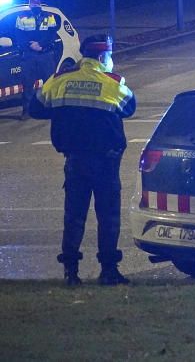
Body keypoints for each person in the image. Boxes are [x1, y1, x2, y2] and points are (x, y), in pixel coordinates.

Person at [29, 35, 136, 286]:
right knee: (108, 217)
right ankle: (108, 271)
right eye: (109, 56)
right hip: (106, 162)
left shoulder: (61, 80)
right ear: (102, 57)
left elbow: (36, 109)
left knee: (74, 216)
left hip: (75, 160)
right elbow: (130, 108)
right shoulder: (112, 82)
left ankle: (71, 273)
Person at [14, 0, 59, 120]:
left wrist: (41, 45)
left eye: (36, 1)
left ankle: (51, 108)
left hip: (45, 54)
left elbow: (52, 34)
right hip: (29, 55)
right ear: (29, 4)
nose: (34, 4)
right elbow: (19, 35)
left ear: (40, 3)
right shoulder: (22, 17)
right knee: (27, 84)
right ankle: (26, 111)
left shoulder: (49, 16)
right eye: (32, 2)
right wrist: (31, 45)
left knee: (49, 82)